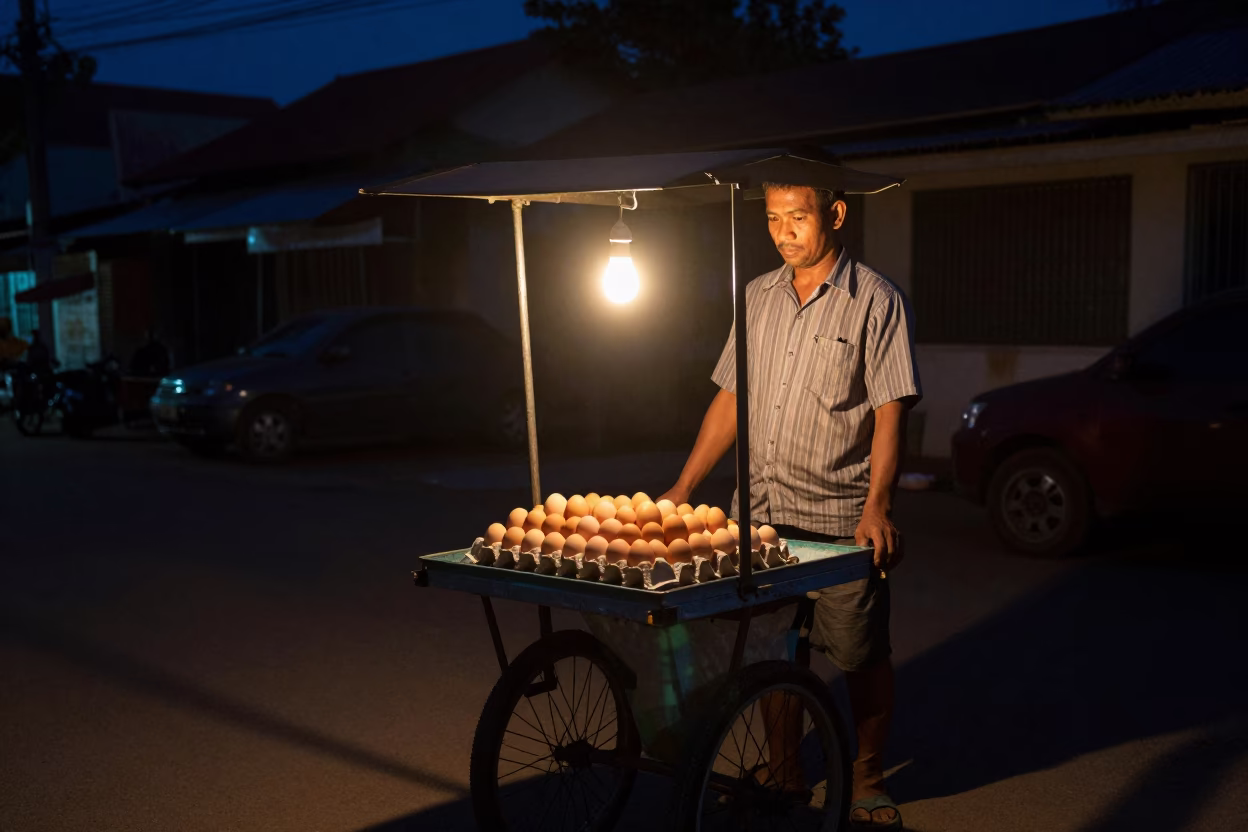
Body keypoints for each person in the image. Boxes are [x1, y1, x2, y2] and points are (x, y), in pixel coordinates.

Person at [659, 183, 921, 830]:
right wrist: (685, 486)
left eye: (797, 217)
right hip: (762, 516)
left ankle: (865, 777)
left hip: (839, 518)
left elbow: (891, 411)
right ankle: (785, 771)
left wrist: (878, 506)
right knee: (773, 655)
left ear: (834, 214)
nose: (783, 232)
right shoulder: (756, 296)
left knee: (860, 654)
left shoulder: (876, 300)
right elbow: (730, 398)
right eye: (773, 219)